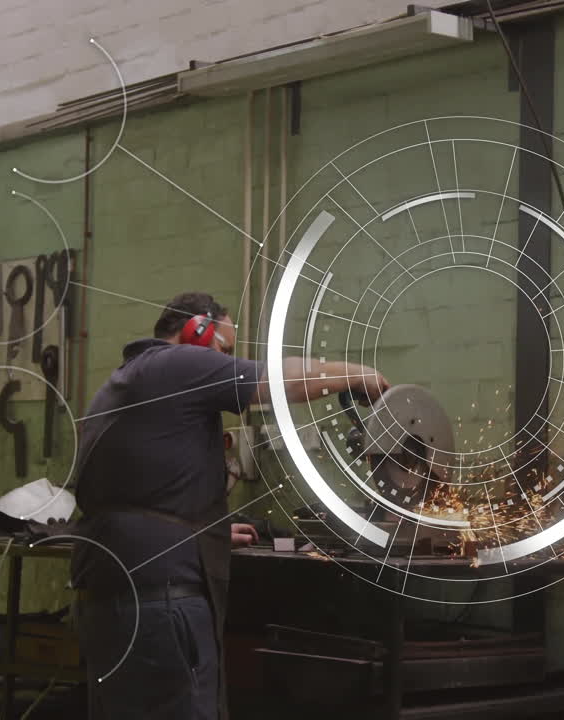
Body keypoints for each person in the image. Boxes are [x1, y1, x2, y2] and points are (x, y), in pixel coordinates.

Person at [69, 291, 388, 720]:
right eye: (224, 349)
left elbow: (148, 492)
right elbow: (280, 380)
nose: (224, 360)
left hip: (121, 596)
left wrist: (208, 533)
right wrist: (358, 374)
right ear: (195, 331)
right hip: (159, 605)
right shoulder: (174, 364)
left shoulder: (133, 379)